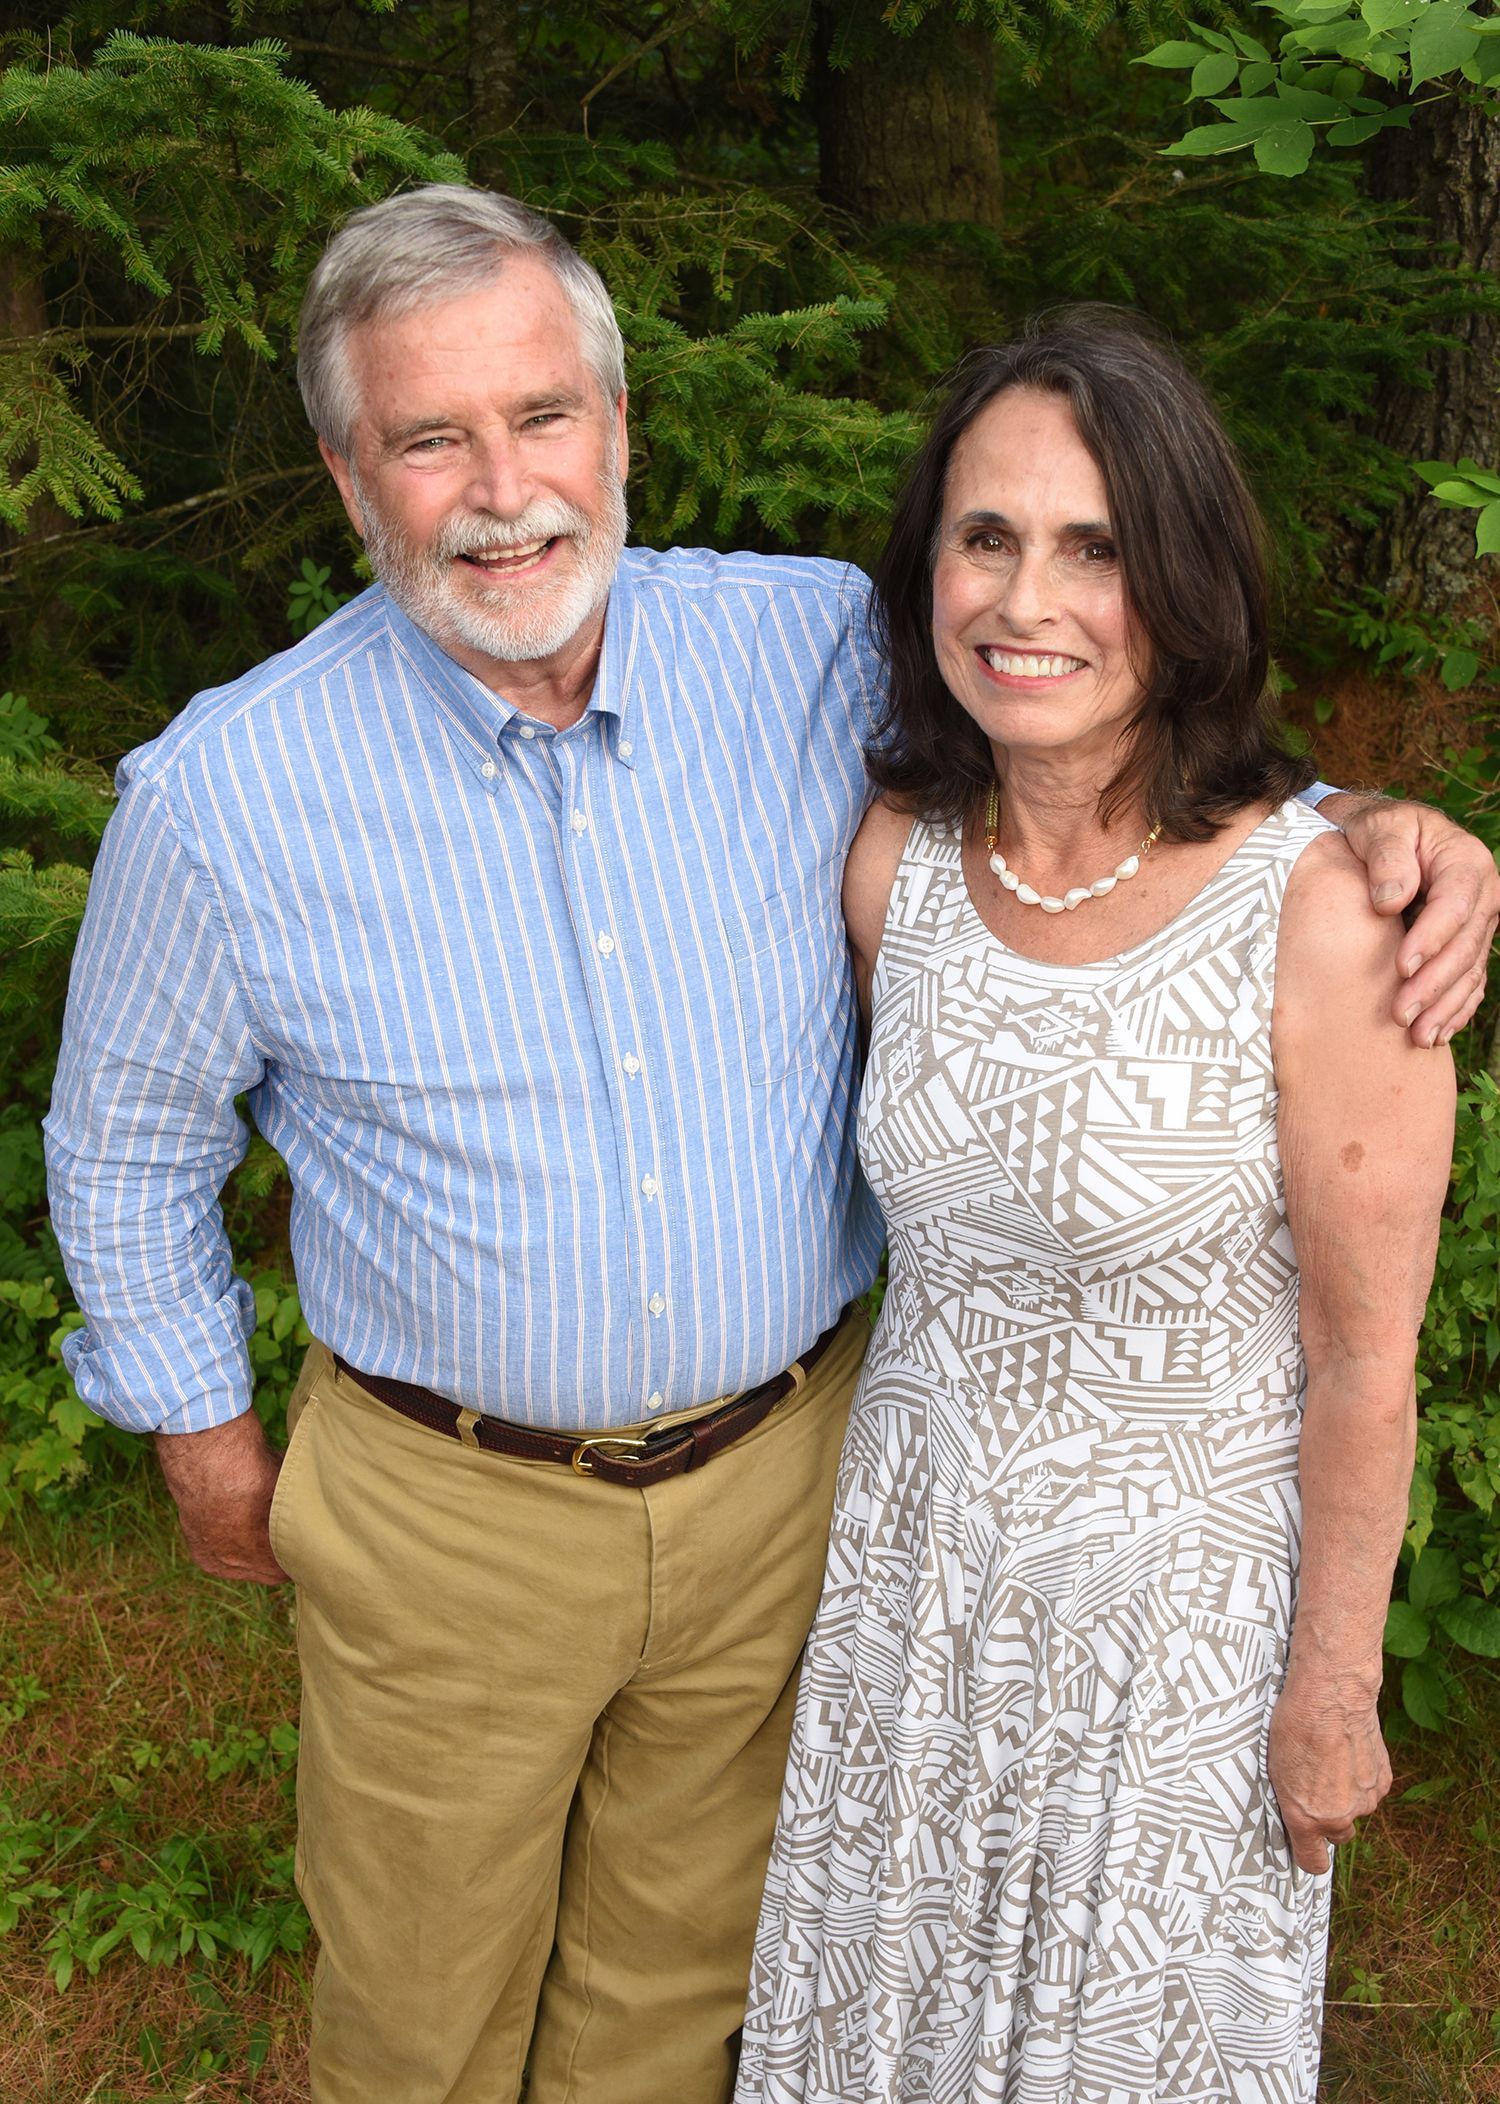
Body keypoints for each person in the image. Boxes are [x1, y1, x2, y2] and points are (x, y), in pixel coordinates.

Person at [42, 189, 1492, 2104]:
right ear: (348, 473)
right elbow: (124, 1143)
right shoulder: (222, 793)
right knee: (418, 2029)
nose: (504, 489)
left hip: (784, 1497)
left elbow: (1099, 739)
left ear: (619, 429)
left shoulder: (801, 652)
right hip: (456, 1517)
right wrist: (210, 1446)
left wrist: (1371, 823)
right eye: (430, 437)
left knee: (676, 2002)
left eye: (544, 416)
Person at [735, 311, 1459, 2104]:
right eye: (988, 538)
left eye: (1095, 548)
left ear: (1185, 579)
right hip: (914, 1583)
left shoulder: (1326, 915)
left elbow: (1367, 1365)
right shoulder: (893, 863)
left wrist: (1334, 1689)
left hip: (1173, 1642)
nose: (1025, 599)